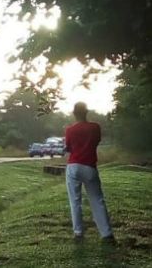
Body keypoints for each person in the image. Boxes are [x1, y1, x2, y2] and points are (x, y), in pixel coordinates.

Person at [65, 102, 115, 243]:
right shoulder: (95, 127)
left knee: (75, 201)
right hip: (89, 166)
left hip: (73, 165)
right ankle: (106, 234)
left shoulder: (70, 130)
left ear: (74, 113)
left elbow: (68, 148)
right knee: (97, 200)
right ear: (86, 112)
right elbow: (96, 142)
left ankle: (78, 233)